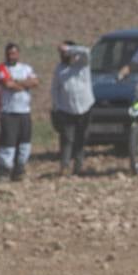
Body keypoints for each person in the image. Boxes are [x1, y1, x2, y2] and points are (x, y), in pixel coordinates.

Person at [0, 42, 39, 181]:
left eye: (14, 53)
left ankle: (19, 170)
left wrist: (18, 82)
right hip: (8, 112)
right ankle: (3, 171)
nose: (11, 56)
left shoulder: (26, 68)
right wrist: (23, 83)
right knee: (8, 144)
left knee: (25, 144)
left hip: (24, 112)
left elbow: (35, 82)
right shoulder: (1, 68)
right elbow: (7, 84)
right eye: (9, 54)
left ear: (18, 54)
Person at [50, 40, 94, 177]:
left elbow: (86, 51)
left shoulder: (83, 64)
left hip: (85, 108)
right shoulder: (59, 69)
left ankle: (78, 167)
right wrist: (57, 106)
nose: (63, 55)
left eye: (65, 53)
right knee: (67, 139)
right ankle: (64, 166)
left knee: (81, 139)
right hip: (66, 110)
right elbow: (55, 89)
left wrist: (70, 48)